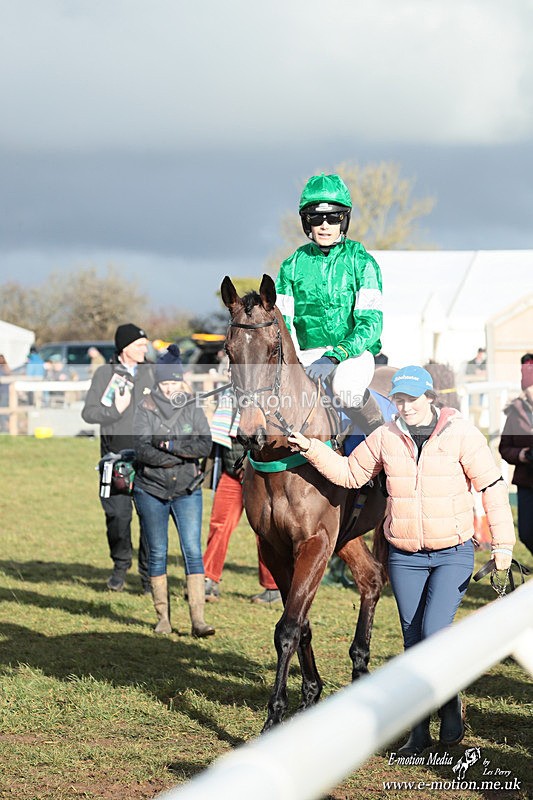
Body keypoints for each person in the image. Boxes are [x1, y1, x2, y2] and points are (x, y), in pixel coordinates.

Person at [288, 365, 515, 755]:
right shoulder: (385, 437)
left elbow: (492, 486)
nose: (405, 406)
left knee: (433, 634)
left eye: (412, 398)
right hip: (405, 556)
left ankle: (449, 703)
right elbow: (349, 474)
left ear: (429, 396)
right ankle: (419, 732)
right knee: (413, 643)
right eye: (399, 399)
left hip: (452, 554)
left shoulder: (460, 434)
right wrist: (312, 448)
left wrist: (503, 546)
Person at [275, 172, 383, 433]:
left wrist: (334, 357)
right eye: (316, 218)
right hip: (305, 354)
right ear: (306, 223)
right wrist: (293, 361)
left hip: (352, 355)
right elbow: (284, 323)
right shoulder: (290, 266)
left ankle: (383, 444)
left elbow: (371, 323)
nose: (325, 225)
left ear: (343, 221)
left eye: (333, 217)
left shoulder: (362, 262)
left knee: (345, 391)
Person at [133, 344, 215, 637]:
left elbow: (204, 445)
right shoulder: (143, 408)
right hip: (150, 489)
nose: (169, 389)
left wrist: (167, 446)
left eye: (173, 382)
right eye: (164, 383)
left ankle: (198, 620)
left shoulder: (192, 407)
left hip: (187, 489)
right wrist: (183, 454)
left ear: (182, 382)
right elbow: (142, 450)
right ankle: (163, 618)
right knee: (157, 553)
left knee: (193, 551)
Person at [81, 323, 152, 593]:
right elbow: (89, 413)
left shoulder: (153, 372)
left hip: (148, 459)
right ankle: (120, 567)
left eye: (145, 345)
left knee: (149, 520)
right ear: (124, 348)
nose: (145, 349)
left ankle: (148, 577)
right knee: (118, 518)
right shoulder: (104, 374)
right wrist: (114, 410)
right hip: (115, 461)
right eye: (139, 345)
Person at [203, 393, 281, 605]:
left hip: (258, 475)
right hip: (232, 473)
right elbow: (225, 438)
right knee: (220, 523)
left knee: (264, 530)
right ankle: (208, 579)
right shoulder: (229, 395)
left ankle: (273, 586)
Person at [499, 353, 533, 559]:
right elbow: (505, 447)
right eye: (529, 387)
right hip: (526, 482)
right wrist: (522, 454)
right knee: (527, 534)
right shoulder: (516, 412)